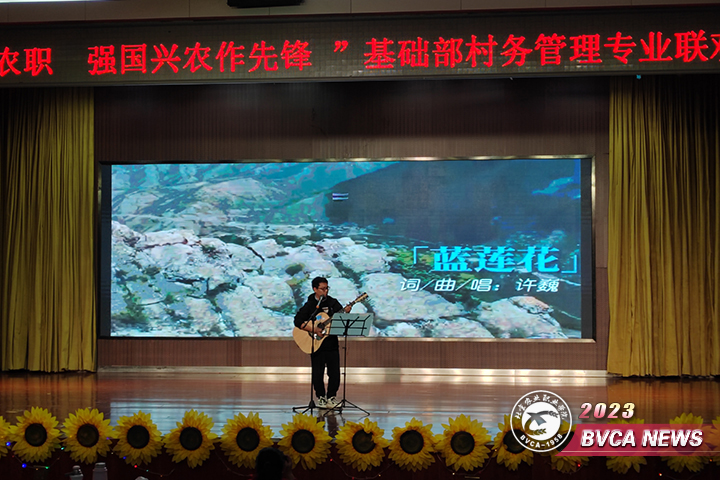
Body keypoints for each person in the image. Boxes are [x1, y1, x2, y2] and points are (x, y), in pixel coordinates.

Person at [294, 276, 352, 409]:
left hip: (331, 343)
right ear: (315, 289)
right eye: (322, 289)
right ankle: (320, 397)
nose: (325, 291)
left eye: (327, 288)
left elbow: (341, 320)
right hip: (316, 344)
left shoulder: (332, 303)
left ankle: (331, 397)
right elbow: (298, 321)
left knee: (334, 372)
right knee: (318, 372)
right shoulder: (310, 305)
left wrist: (346, 313)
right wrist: (313, 329)